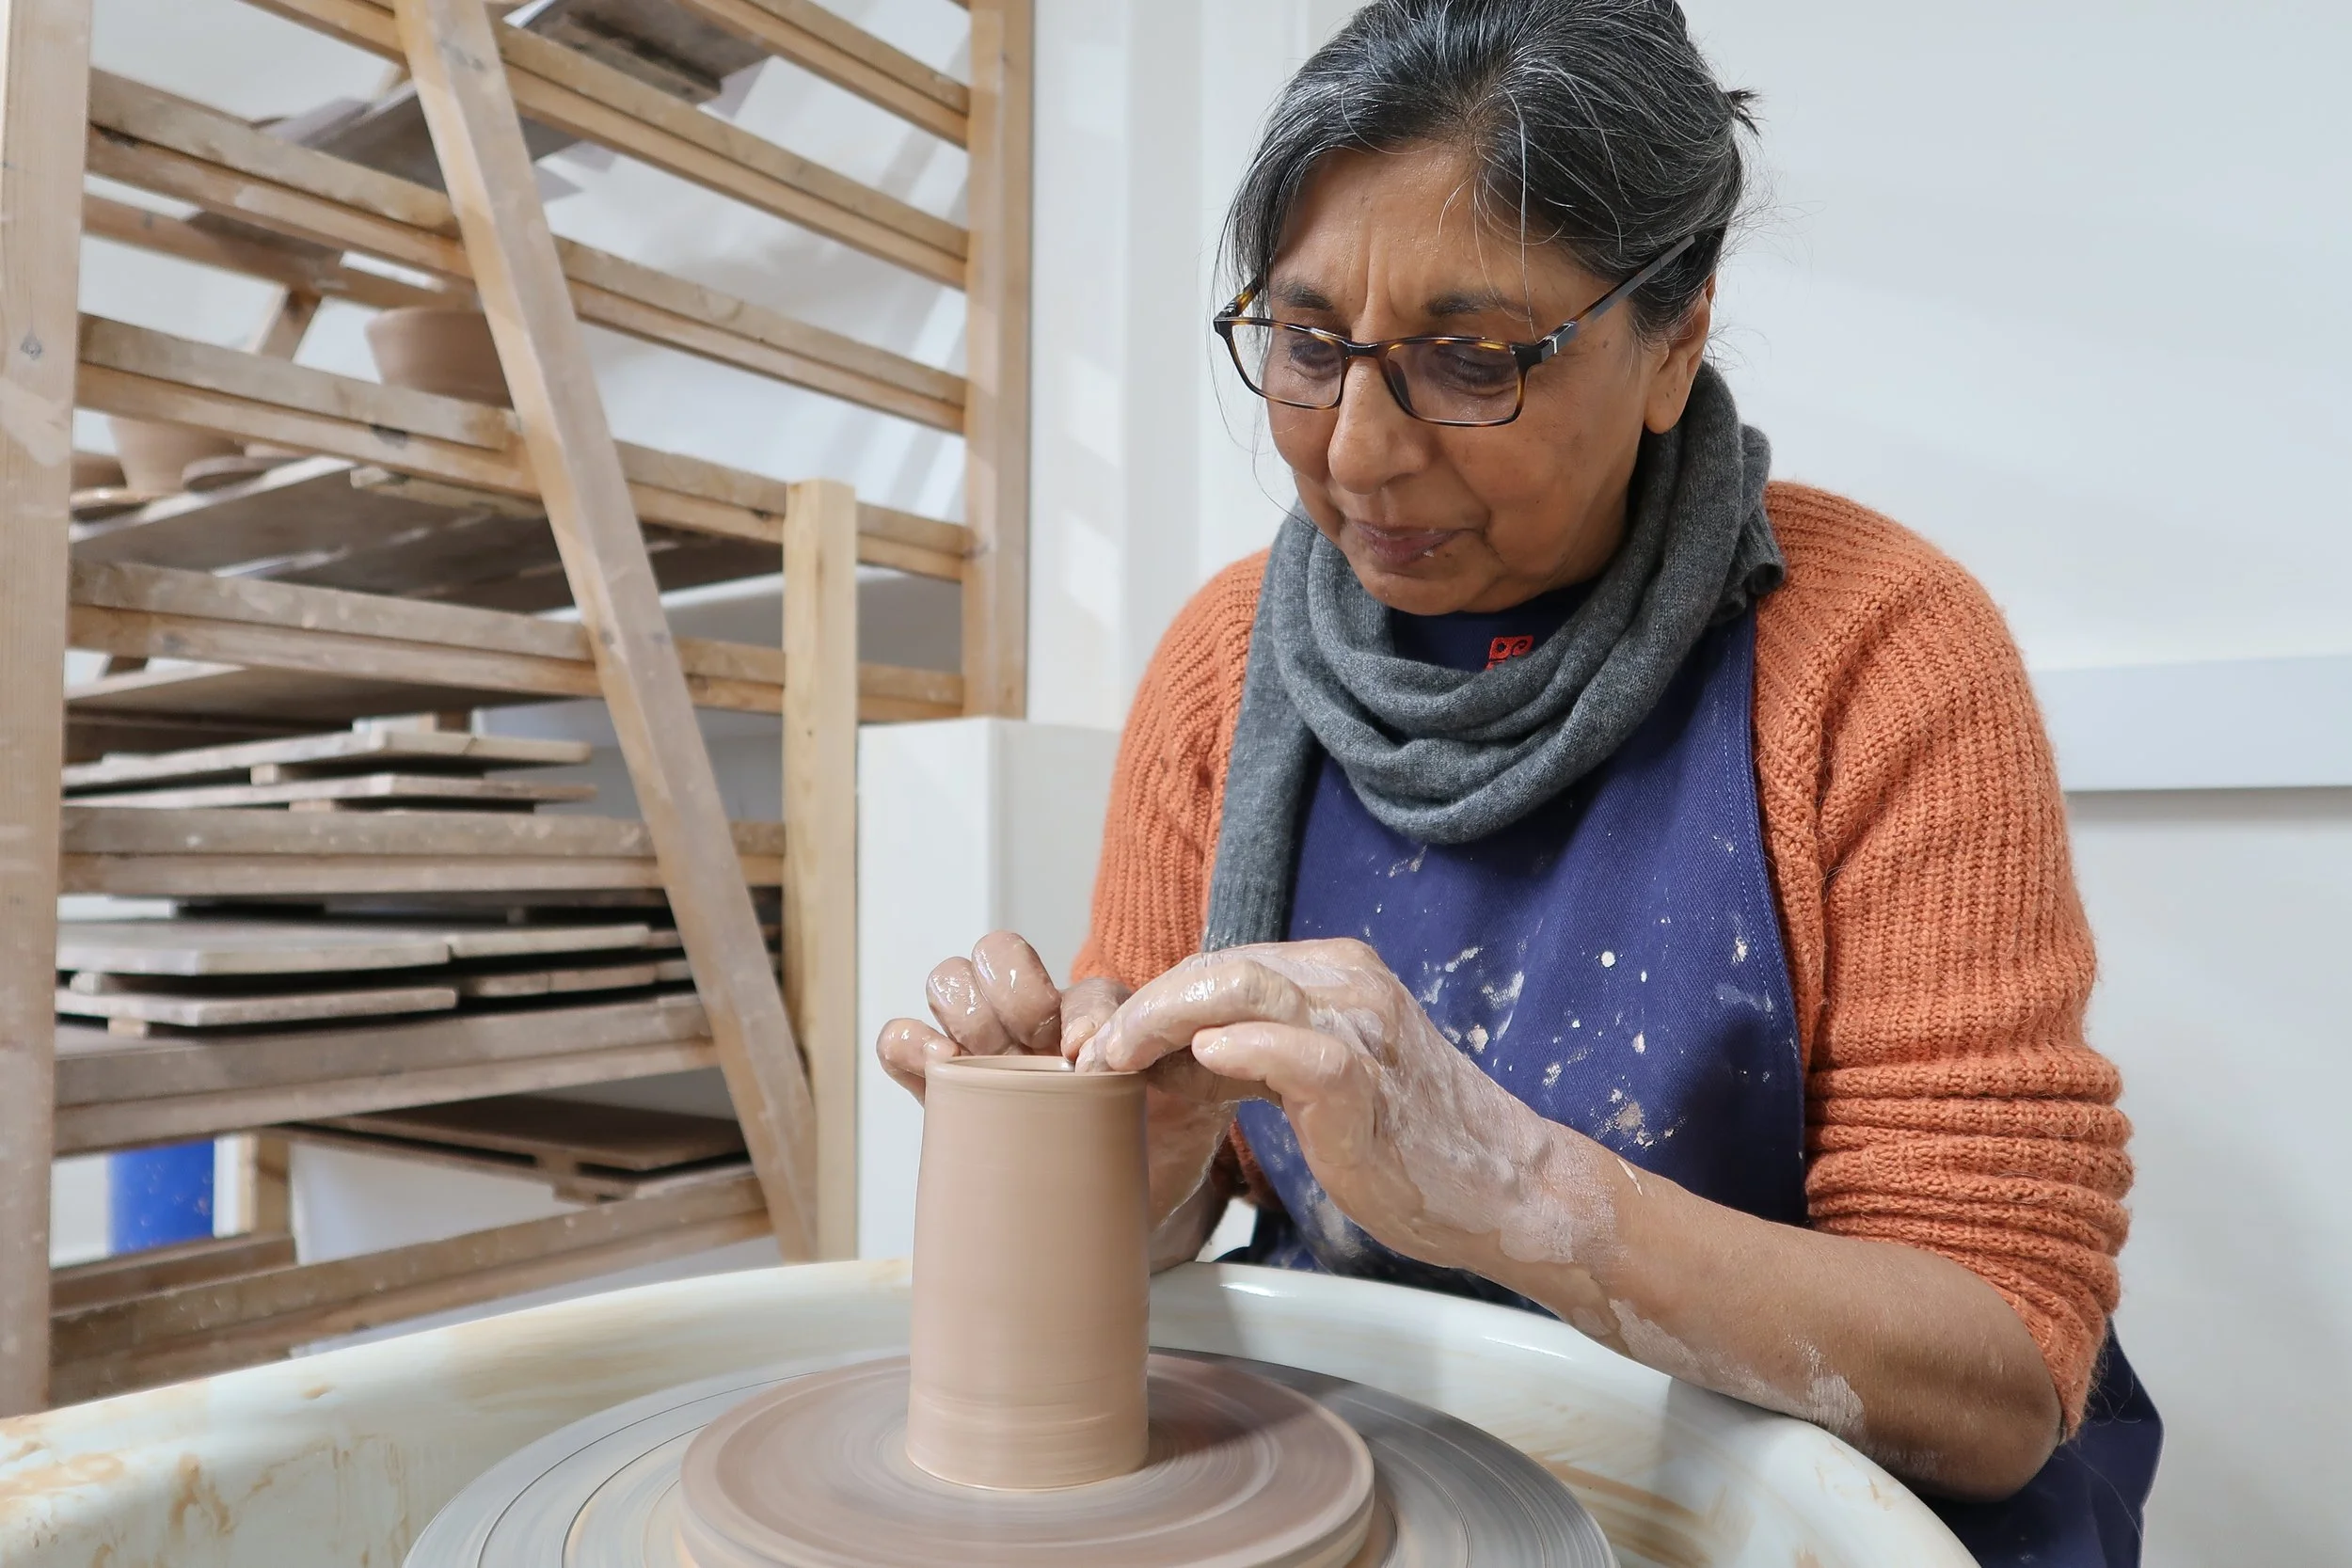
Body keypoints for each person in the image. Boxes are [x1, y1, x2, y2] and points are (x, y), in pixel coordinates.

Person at [879, 2, 2158, 1560]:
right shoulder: (1227, 665)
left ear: (1673, 335)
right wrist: (1121, 1159)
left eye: (1471, 359)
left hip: (1791, 1489)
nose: (1356, 451)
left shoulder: (1882, 654)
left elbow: (2004, 1368)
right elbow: (1182, 1208)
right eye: (1305, 343)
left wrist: (1516, 1190)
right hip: (1366, 1466)